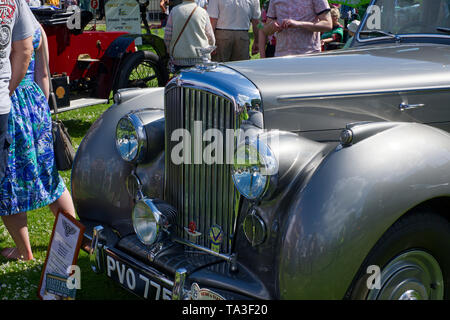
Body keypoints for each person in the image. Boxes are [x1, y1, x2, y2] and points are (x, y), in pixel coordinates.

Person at [0, 19, 77, 261]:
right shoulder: (36, 26)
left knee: (7, 180)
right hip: (35, 103)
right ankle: (74, 238)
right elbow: (43, 74)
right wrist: (40, 112)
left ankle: (25, 252)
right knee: (49, 176)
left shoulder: (5, 24)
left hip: (8, 101)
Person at [263, 0, 332, 57]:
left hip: (309, 55)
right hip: (282, 56)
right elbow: (266, 30)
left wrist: (299, 24)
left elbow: (328, 25)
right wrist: (272, 26)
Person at [164, 0, 215, 72]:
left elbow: (167, 36)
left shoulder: (174, 11)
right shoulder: (203, 12)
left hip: (179, 59)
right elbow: (210, 36)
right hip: (201, 58)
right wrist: (210, 48)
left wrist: (169, 50)